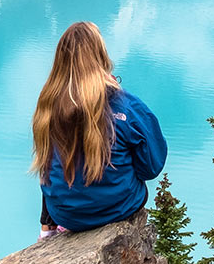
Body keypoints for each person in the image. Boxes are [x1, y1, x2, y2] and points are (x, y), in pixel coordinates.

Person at [32, 20, 166, 236]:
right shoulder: (125, 105)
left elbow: (46, 169)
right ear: (100, 56)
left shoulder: (48, 106)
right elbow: (151, 167)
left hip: (66, 215)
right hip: (118, 208)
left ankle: (47, 230)